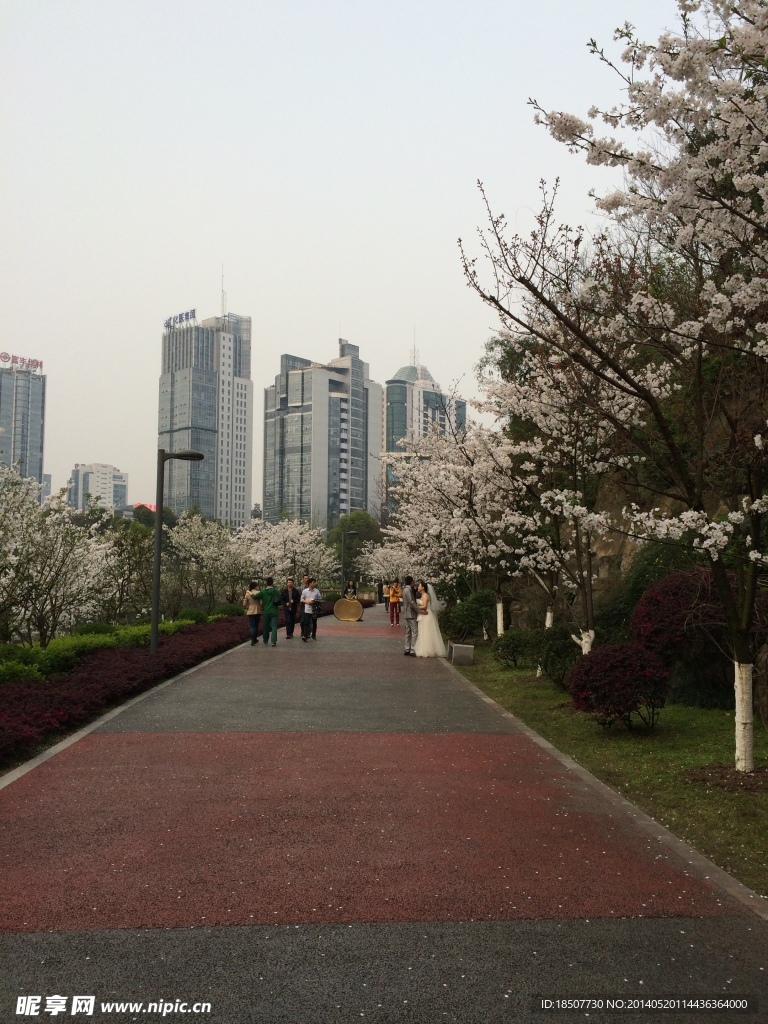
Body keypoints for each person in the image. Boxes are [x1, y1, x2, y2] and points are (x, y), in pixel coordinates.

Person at [414, 581, 447, 658]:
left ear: (423, 587)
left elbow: (424, 606)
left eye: (419, 586)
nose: (418, 587)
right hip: (423, 615)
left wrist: (416, 607)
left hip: (426, 615)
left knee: (427, 632)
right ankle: (424, 648)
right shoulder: (422, 595)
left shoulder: (425, 595)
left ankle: (428, 650)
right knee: (423, 631)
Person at [252, 577, 282, 647]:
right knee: (274, 626)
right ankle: (273, 641)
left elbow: (255, 597)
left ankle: (265, 640)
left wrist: (249, 593)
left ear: (266, 583)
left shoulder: (263, 591)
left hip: (266, 611)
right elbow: (280, 599)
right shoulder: (276, 591)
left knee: (266, 626)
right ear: (272, 583)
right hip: (274, 610)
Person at [402, 575, 419, 656]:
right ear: (412, 582)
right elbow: (411, 602)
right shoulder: (408, 590)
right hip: (411, 613)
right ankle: (413, 649)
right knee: (415, 631)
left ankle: (407, 648)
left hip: (406, 613)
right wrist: (419, 610)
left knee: (408, 632)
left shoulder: (404, 590)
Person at [300, 577, 322, 641]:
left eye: (315, 582)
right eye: (313, 582)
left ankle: (313, 635)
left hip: (314, 609)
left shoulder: (316, 591)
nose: (315, 584)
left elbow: (320, 599)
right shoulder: (305, 591)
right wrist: (307, 602)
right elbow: (301, 599)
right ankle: (305, 635)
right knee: (306, 622)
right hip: (307, 609)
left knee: (314, 623)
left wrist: (314, 601)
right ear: (310, 583)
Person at [243, 579, 263, 646]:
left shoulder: (247, 593)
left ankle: (252, 640)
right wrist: (261, 607)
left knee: (252, 626)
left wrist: (247, 607)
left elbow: (244, 603)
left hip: (250, 611)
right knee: (256, 625)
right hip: (258, 610)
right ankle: (255, 638)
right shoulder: (259, 592)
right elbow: (261, 602)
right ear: (255, 586)